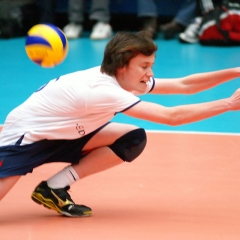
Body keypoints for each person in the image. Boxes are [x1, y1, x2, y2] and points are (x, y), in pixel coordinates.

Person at [0, 31, 240, 217]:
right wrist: (229, 104)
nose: (150, 73)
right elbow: (172, 117)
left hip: (63, 134)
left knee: (131, 138)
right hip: (24, 142)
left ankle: (53, 188)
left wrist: (236, 71)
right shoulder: (105, 90)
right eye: (144, 66)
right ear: (122, 66)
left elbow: (185, 86)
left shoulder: (121, 78)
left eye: (151, 65)